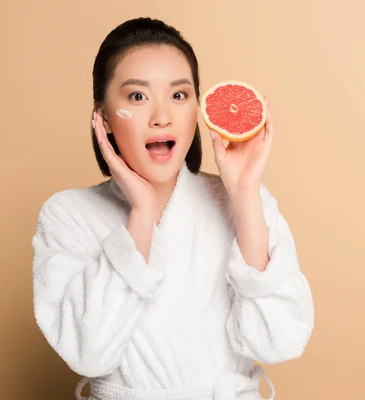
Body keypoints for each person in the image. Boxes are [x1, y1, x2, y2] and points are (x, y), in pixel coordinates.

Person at [31, 17, 314, 400]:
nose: (162, 116)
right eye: (137, 97)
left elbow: (280, 341)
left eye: (179, 96)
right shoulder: (67, 214)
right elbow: (88, 352)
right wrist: (141, 214)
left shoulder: (243, 202)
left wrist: (245, 194)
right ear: (104, 118)